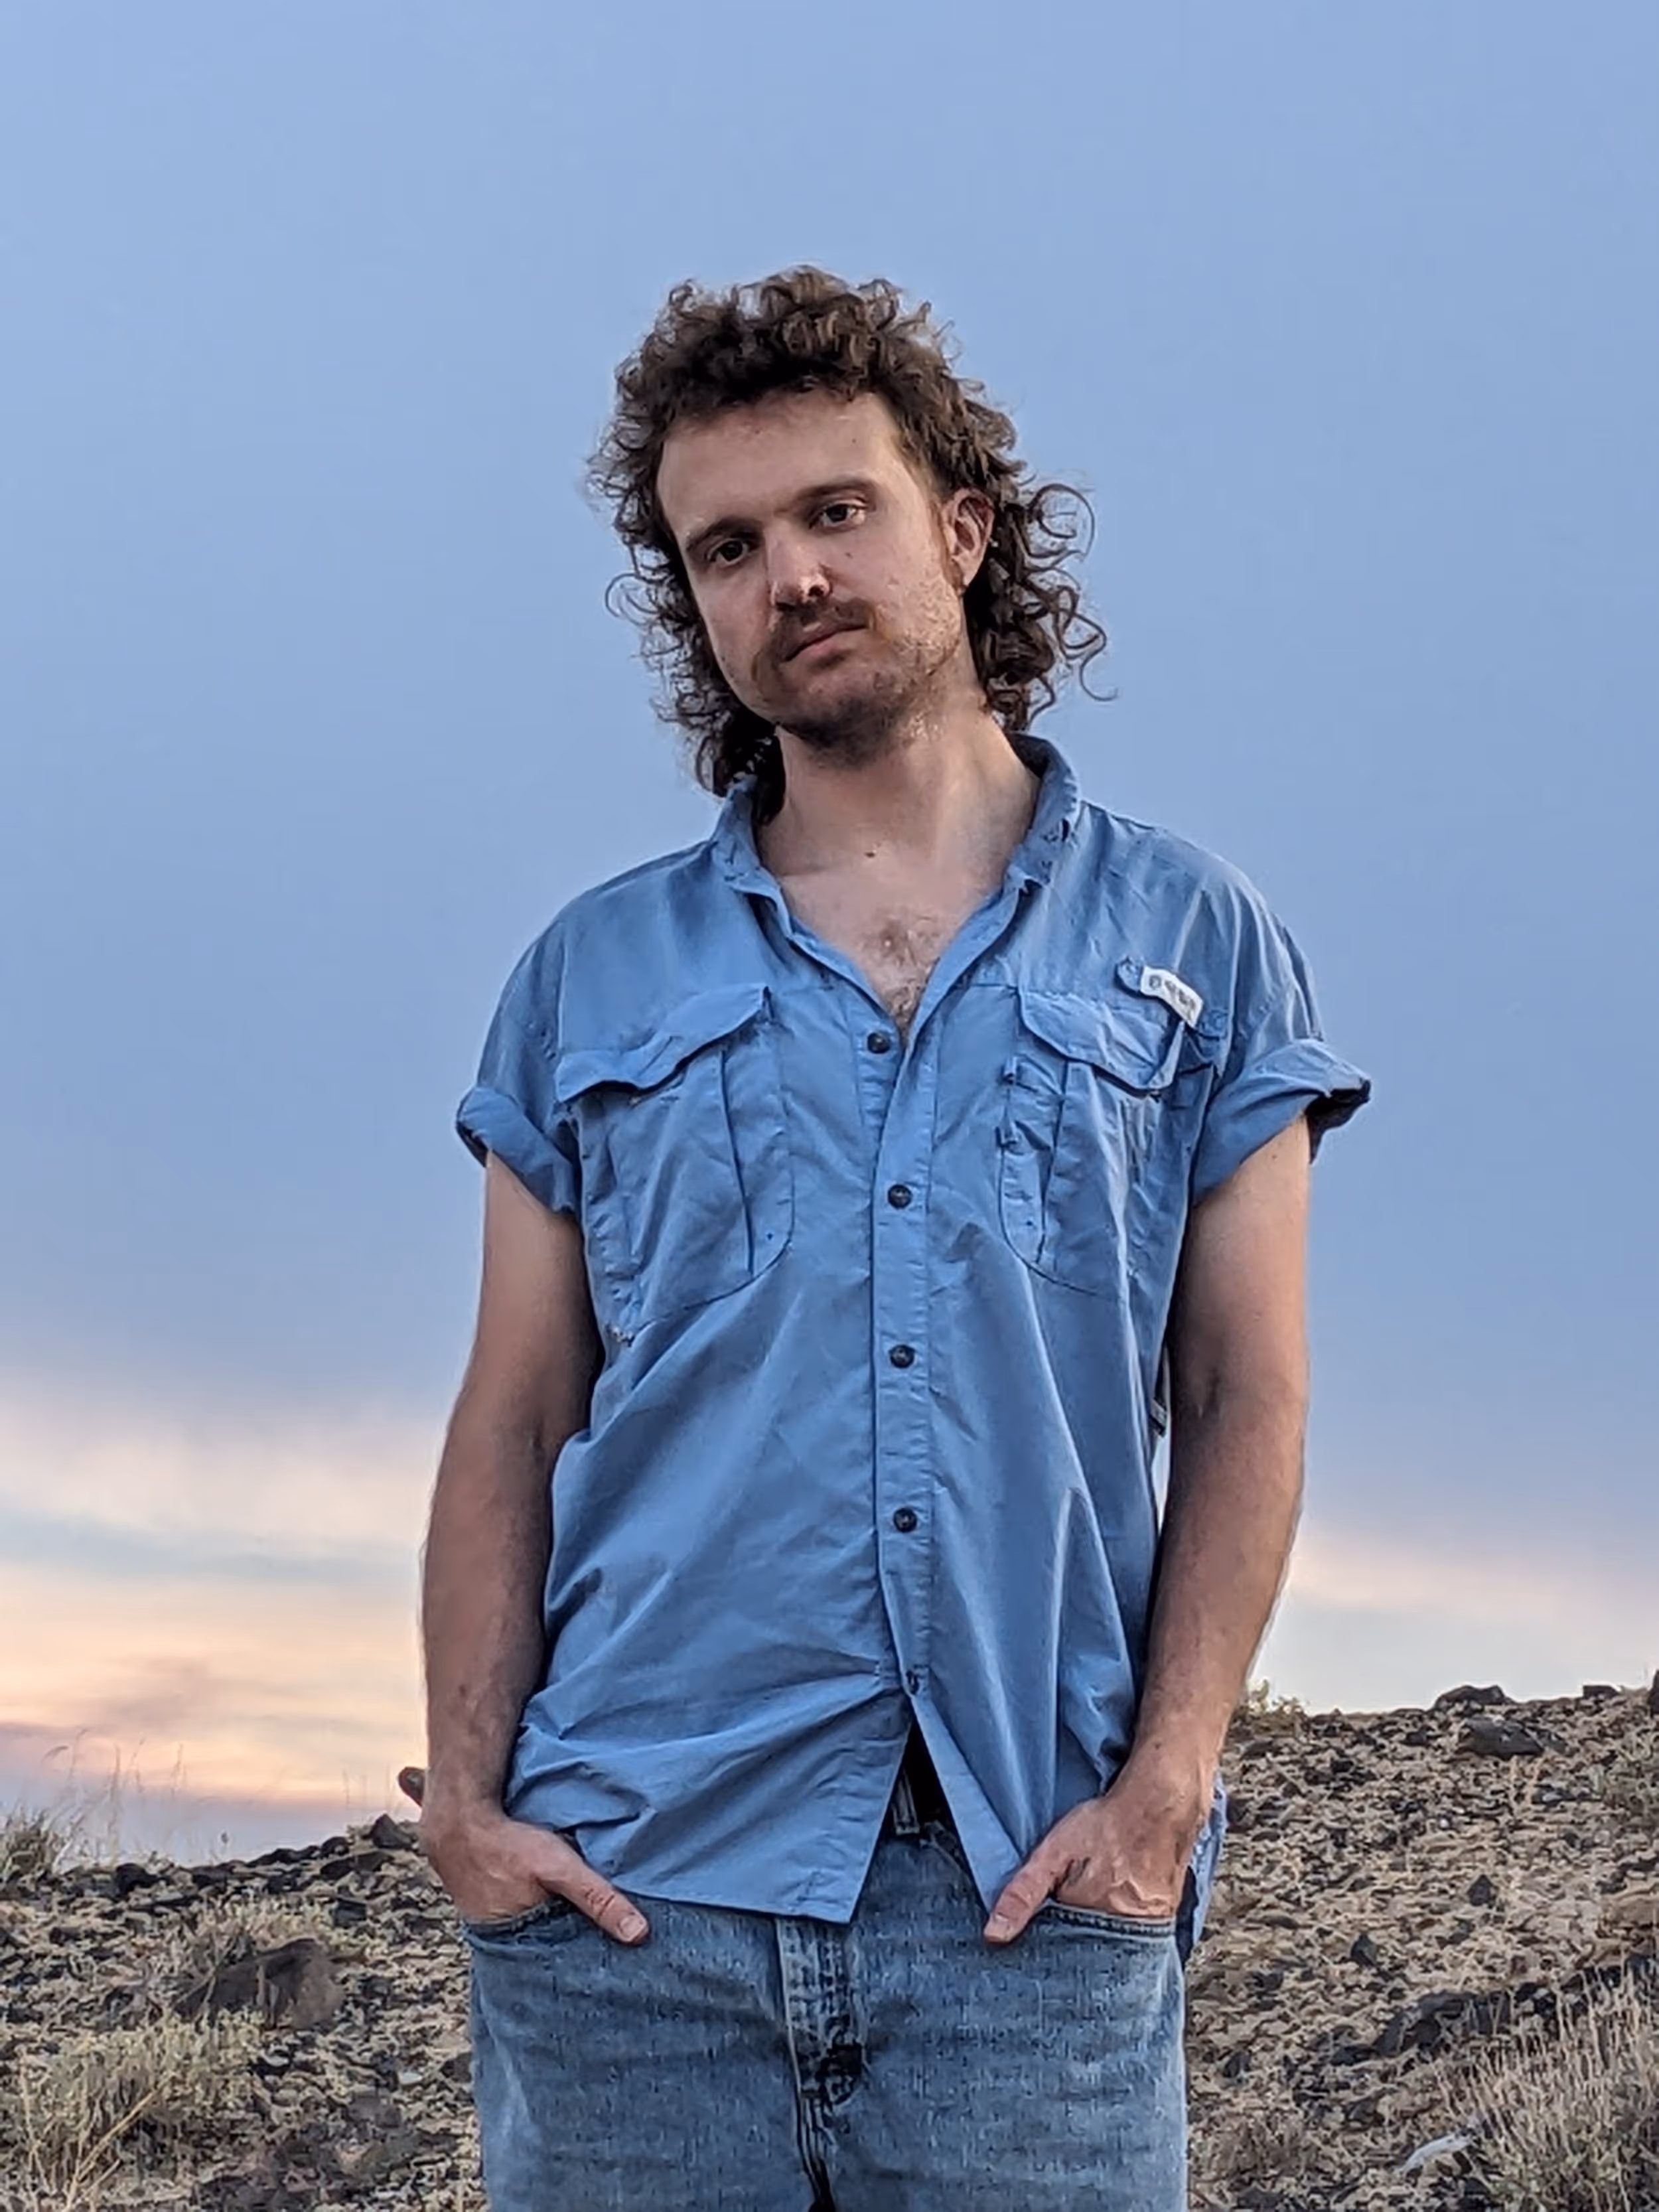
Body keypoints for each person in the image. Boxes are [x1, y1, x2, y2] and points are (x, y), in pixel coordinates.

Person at [419, 267, 1370, 2212]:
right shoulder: (588, 976)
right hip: (630, 1912)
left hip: (1032, 1906)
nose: (789, 574)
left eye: (835, 510)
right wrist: (472, 1812)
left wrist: (1166, 1794)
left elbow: (1244, 1392)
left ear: (962, 526)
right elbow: (515, 1412)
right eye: (726, 547)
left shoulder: (1196, 943)